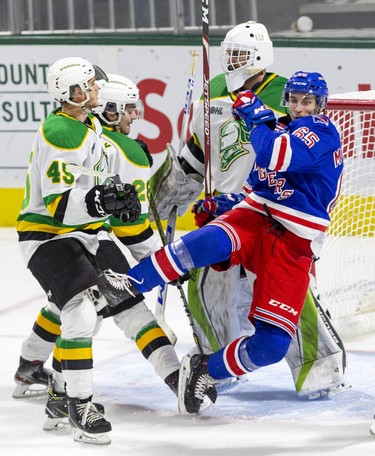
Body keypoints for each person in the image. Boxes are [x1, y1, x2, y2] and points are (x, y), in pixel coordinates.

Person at [111, 70, 344, 414]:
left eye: (306, 101)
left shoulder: (322, 132)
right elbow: (255, 189)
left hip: (294, 243)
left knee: (271, 346)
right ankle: (128, 283)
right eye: (293, 100)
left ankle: (207, 370)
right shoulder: (277, 129)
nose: (298, 108)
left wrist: (256, 117)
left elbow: (273, 155)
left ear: (319, 104)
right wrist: (224, 205)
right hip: (256, 218)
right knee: (206, 243)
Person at [13, 74, 181, 427]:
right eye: (131, 109)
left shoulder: (92, 127)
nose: (137, 116)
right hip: (51, 233)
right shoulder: (72, 132)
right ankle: (68, 399)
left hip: (87, 233)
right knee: (81, 312)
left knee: (122, 302)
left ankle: (175, 378)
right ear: (111, 110)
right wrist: (163, 259)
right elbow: (122, 223)